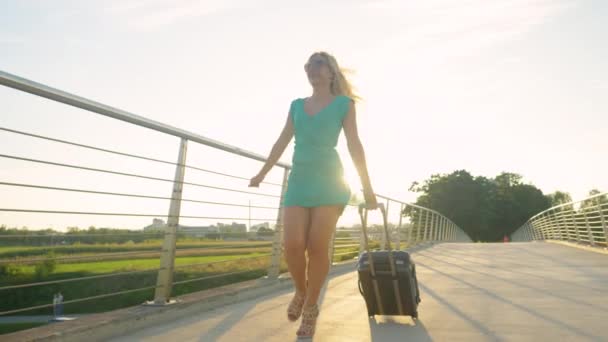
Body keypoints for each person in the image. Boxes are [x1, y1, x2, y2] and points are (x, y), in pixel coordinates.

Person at [249, 51, 378, 339]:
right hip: (300, 179)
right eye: (308, 66)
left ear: (331, 72)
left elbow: (354, 144)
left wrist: (368, 190)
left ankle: (310, 309)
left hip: (330, 181)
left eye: (319, 65)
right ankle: (301, 291)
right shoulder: (297, 105)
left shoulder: (345, 105)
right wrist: (262, 173)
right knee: (292, 244)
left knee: (317, 246)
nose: (312, 69)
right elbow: (281, 141)